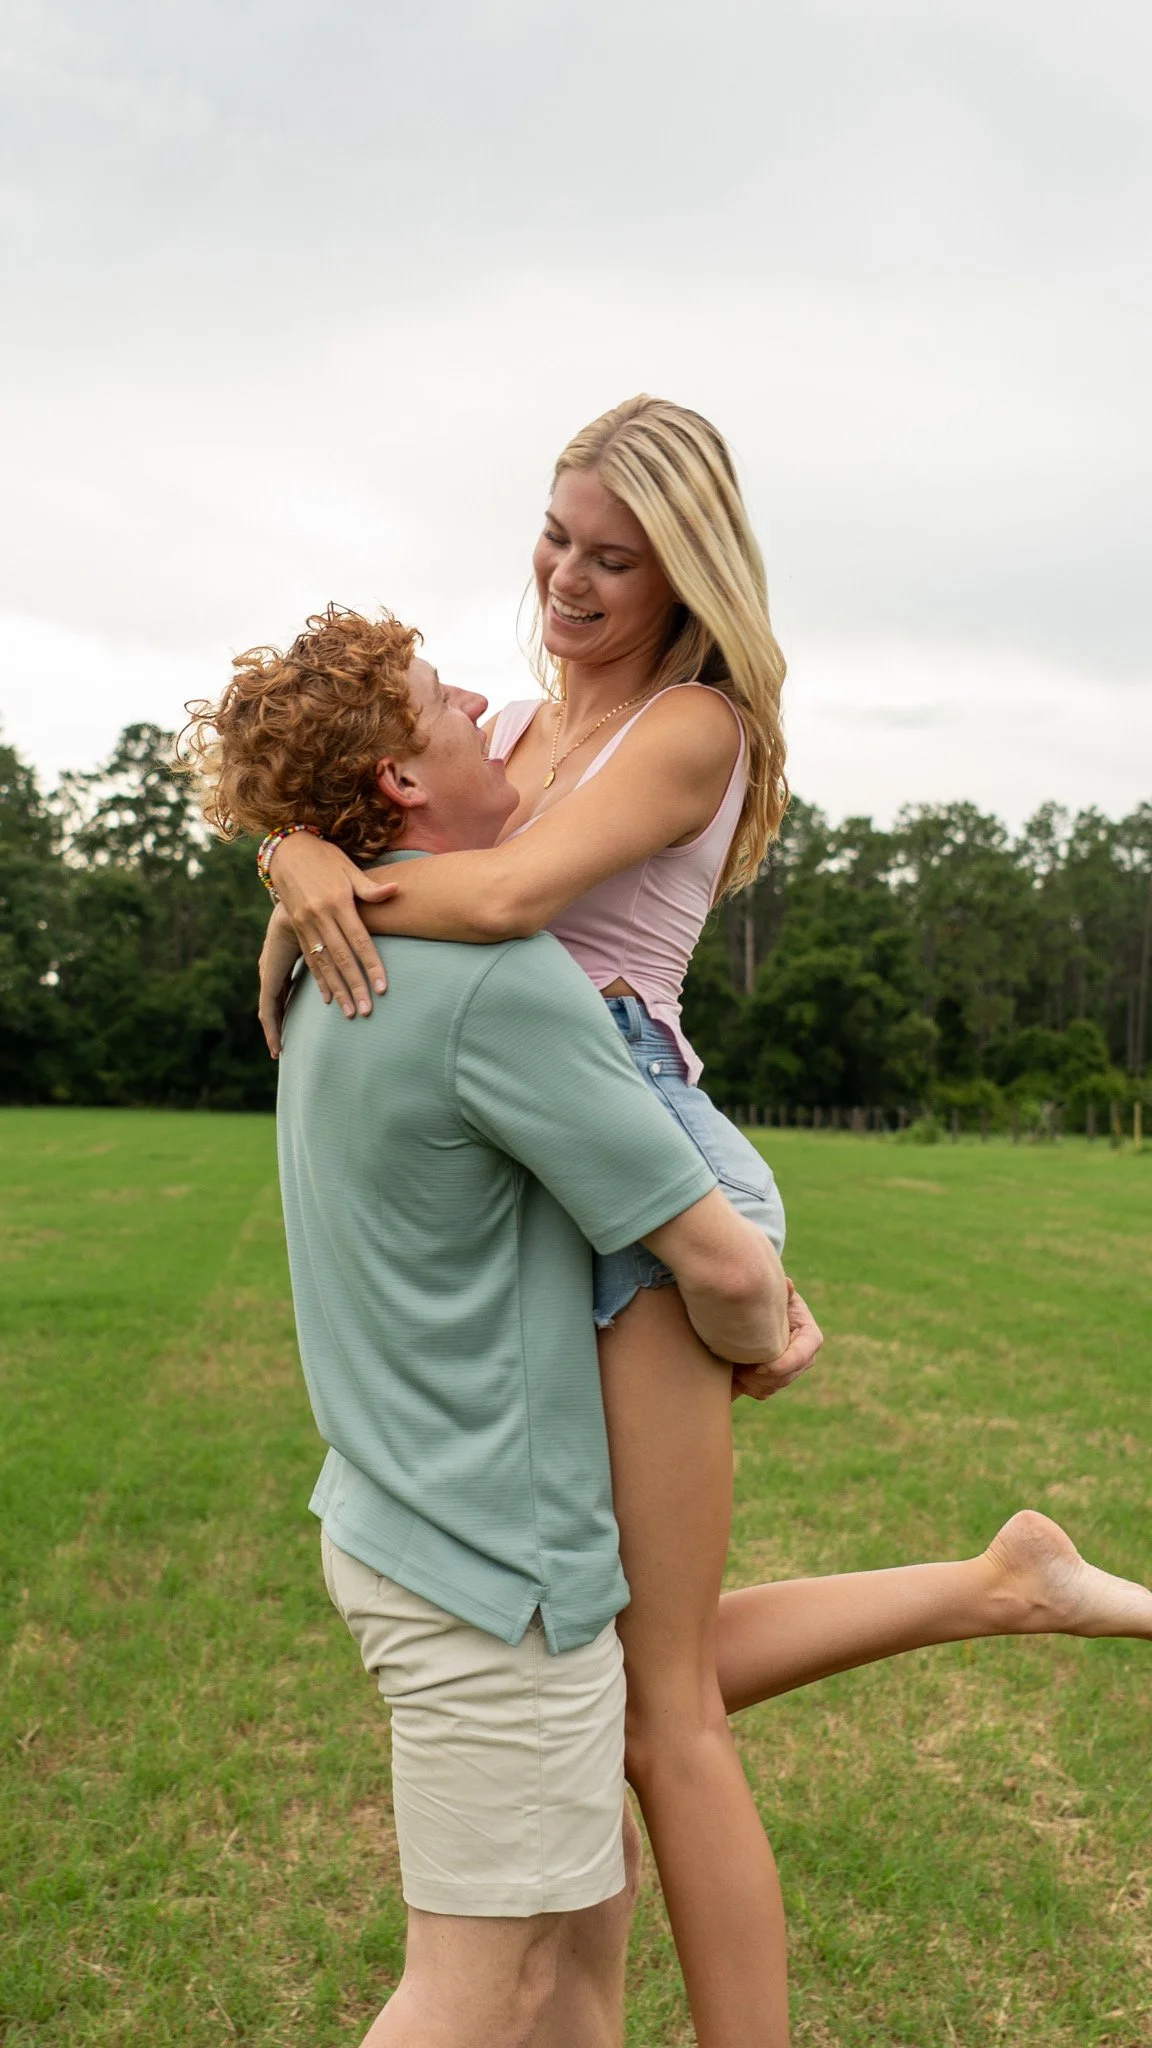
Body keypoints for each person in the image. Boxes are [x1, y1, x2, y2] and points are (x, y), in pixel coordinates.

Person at [258, 398, 1152, 2048]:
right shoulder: (512, 724)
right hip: (567, 1171)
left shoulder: (693, 726)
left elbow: (507, 901)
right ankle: (997, 1583)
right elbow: (416, 817)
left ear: (686, 572)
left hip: (652, 1179)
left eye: (617, 557)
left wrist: (317, 869)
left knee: (664, 1713)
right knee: (594, 1662)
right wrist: (298, 832)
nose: (570, 580)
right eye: (556, 537)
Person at [180, 609, 822, 2048]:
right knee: (480, 1991)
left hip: (407, 1524)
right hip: (492, 1583)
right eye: (441, 702)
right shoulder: (493, 983)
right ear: (401, 785)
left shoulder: (320, 970)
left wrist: (293, 858)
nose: (488, 699)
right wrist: (763, 1326)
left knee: (573, 1978)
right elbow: (715, 1262)